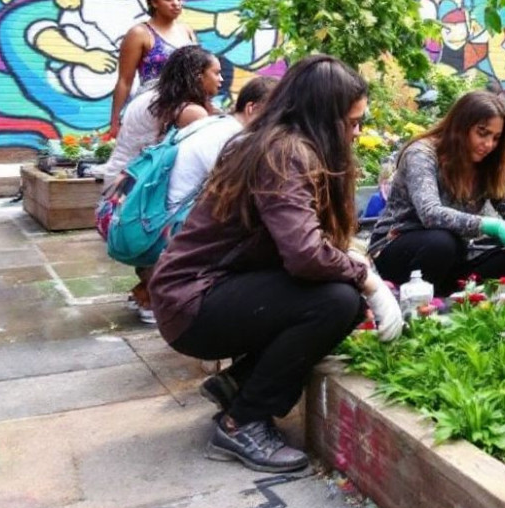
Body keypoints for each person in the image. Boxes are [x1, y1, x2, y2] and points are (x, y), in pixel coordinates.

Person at [149, 55, 403, 474]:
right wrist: (367, 280)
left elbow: (304, 240)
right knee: (335, 301)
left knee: (339, 295)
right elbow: (304, 255)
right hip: (192, 303)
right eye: (352, 122)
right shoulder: (285, 153)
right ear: (323, 116)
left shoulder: (278, 144)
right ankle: (242, 421)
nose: (357, 133)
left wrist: (353, 261)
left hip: (203, 292)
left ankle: (237, 385)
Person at [368, 91, 505, 292]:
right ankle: (418, 299)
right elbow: (430, 214)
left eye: (496, 137)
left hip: (460, 249)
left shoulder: (493, 160)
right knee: (442, 242)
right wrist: (491, 225)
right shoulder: (422, 153)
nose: (489, 144)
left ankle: (451, 290)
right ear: (460, 126)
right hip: (403, 246)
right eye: (482, 133)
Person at [96, 45, 222, 324]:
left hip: (117, 191)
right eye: (216, 73)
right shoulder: (190, 112)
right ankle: (153, 296)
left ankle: (148, 287)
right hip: (137, 200)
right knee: (202, 216)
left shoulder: (152, 95)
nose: (221, 80)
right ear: (197, 76)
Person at [165, 77, 278, 212]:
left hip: (162, 207)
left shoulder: (216, 122)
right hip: (174, 218)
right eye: (273, 114)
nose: (275, 123)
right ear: (251, 109)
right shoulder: (236, 138)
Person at [109, 0, 201, 137]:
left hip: (188, 107)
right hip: (153, 109)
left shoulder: (187, 31)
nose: (176, 3)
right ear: (153, 2)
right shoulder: (139, 33)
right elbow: (124, 80)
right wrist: (115, 122)